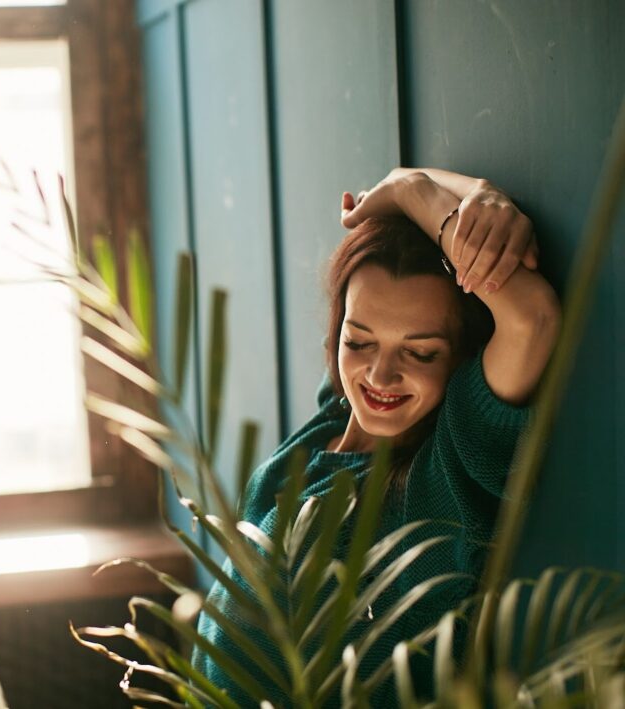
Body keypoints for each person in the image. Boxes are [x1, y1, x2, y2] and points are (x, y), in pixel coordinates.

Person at [191, 167, 561, 707]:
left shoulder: (448, 471)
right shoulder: (332, 422)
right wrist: (469, 193)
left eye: (419, 352)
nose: (379, 377)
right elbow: (379, 222)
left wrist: (414, 193)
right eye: (359, 342)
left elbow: (533, 319)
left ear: (459, 358)